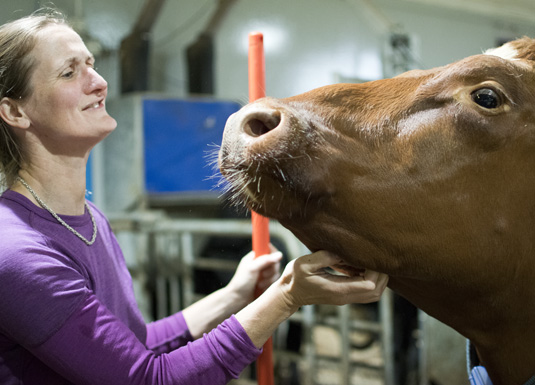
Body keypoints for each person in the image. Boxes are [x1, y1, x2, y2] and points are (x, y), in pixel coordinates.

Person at [0, 9, 389, 385]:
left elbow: (133, 347)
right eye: (70, 72)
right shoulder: (17, 253)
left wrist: (234, 294)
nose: (99, 82)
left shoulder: (91, 219)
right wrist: (287, 297)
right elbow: (147, 379)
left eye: (91, 63)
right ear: (15, 111)